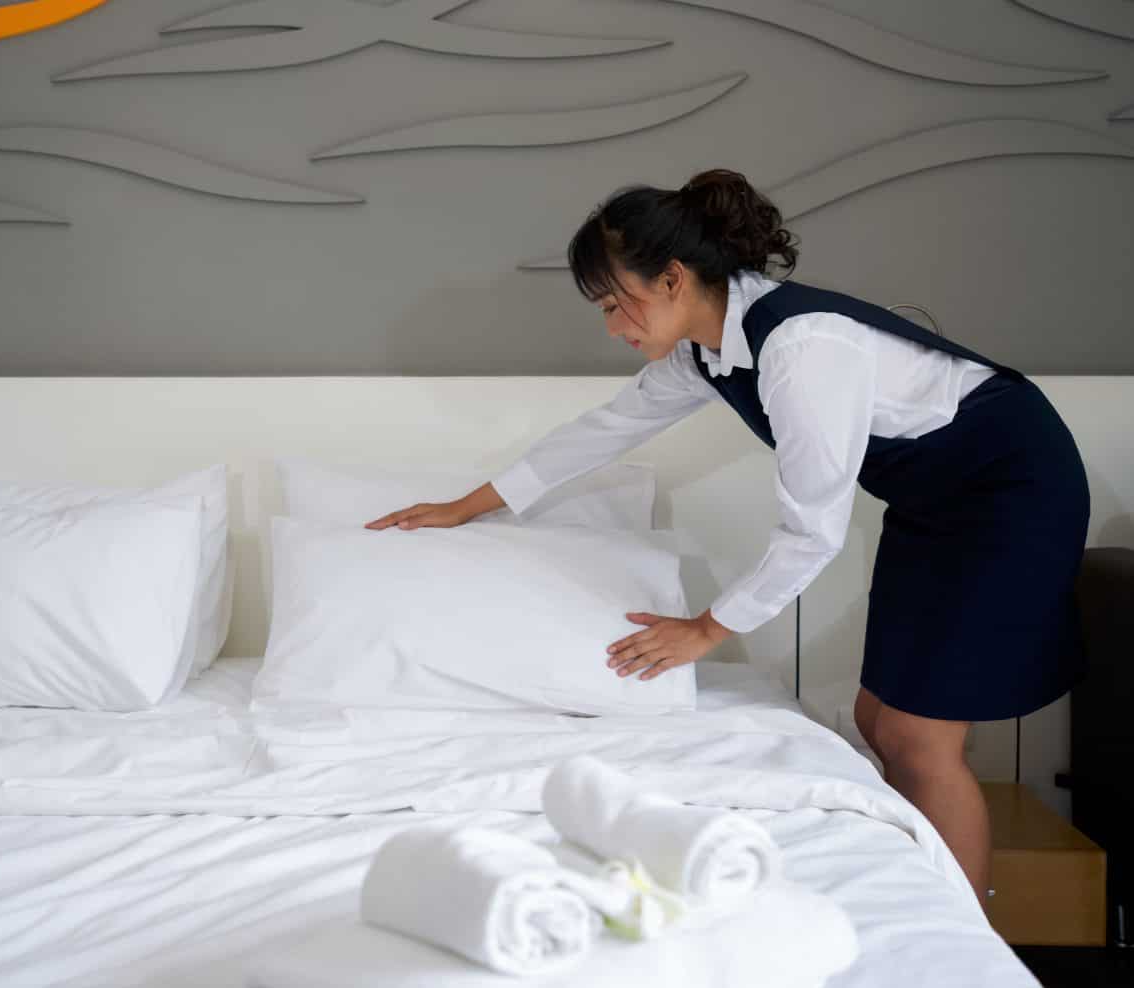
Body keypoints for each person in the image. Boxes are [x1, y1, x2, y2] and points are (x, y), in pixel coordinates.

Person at [364, 168, 1090, 908]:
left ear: (673, 279)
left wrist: (706, 630)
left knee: (921, 739)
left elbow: (813, 532)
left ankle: (963, 946)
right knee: (879, 720)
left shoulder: (801, 349)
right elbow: (605, 429)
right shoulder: (706, 351)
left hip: (1010, 492)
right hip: (934, 499)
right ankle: (927, 892)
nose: (614, 326)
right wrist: (469, 505)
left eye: (620, 303)